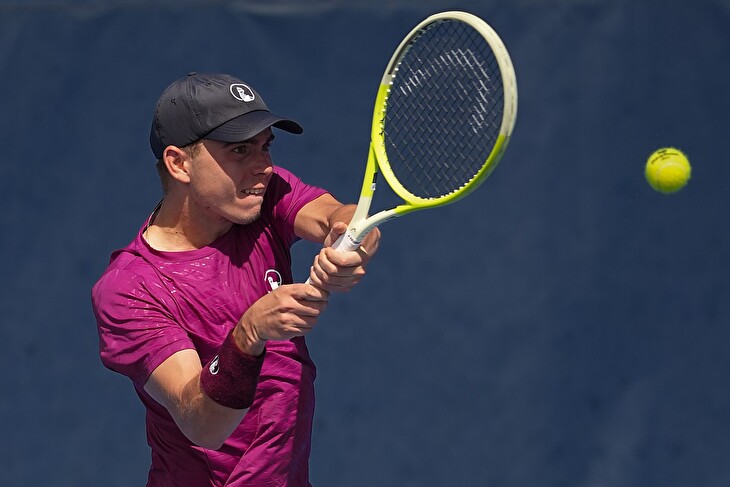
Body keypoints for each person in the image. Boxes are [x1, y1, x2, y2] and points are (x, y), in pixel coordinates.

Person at [91, 72, 380, 486]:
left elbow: (338, 216)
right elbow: (201, 422)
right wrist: (249, 334)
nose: (264, 166)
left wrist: (352, 240)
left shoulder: (264, 196)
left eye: (266, 146)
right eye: (240, 149)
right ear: (178, 163)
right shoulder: (129, 288)